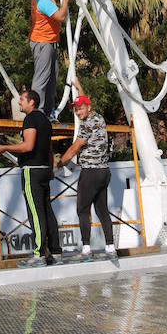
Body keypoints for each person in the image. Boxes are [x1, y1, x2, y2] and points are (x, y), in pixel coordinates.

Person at [0, 85, 60, 266]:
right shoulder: (45, 120)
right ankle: (56, 251)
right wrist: (49, 170)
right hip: (43, 170)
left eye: (22, 99)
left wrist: (5, 148)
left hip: (32, 171)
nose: (19, 102)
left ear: (31, 102)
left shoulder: (31, 119)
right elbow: (49, 150)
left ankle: (39, 254)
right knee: (47, 211)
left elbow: (27, 146)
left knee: (36, 212)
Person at [58, 76, 116, 260]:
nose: (77, 112)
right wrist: (79, 86)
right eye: (75, 109)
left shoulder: (86, 126)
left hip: (90, 173)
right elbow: (84, 100)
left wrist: (59, 164)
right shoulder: (99, 118)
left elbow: (75, 148)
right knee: (102, 210)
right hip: (104, 172)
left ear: (88, 108)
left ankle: (86, 249)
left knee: (82, 210)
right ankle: (110, 248)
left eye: (80, 108)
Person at [28, 0, 74, 120]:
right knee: (41, 79)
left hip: (47, 42)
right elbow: (60, 16)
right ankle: (37, 113)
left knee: (52, 78)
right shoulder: (43, 0)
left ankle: (47, 111)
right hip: (43, 42)